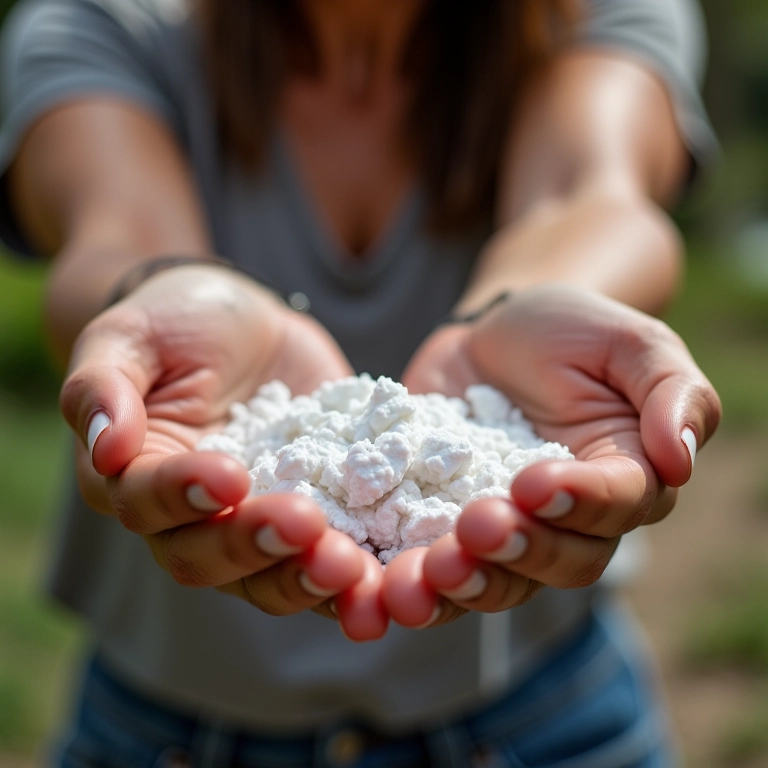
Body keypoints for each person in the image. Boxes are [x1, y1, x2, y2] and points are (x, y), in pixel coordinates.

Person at [0, 0, 721, 765]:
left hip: (549, 724)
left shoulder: (596, 11)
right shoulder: (101, 19)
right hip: (160, 737)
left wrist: (526, 300)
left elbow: (587, 194)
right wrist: (159, 289)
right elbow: (118, 228)